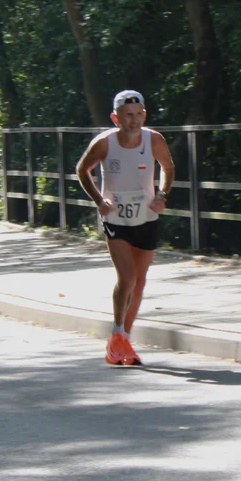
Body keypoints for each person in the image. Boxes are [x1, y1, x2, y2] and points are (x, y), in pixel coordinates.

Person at [76, 90, 174, 365]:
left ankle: (124, 340)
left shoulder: (153, 139)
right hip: (116, 218)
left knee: (140, 281)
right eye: (128, 115)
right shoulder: (105, 143)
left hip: (146, 216)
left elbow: (168, 167)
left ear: (145, 114)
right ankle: (117, 331)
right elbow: (82, 169)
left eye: (139, 114)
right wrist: (99, 200)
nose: (134, 120)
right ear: (115, 118)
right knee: (127, 278)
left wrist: (162, 195)